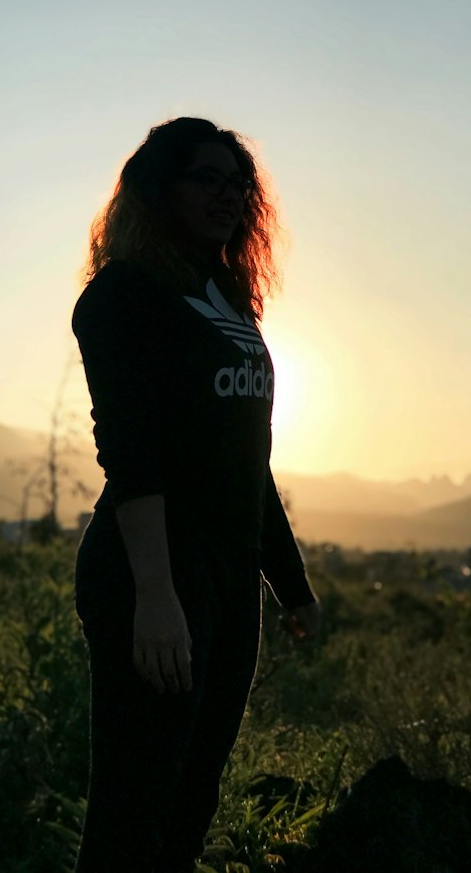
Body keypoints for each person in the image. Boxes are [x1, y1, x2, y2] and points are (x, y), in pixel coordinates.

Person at [71, 116, 322, 873]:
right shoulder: (124, 294)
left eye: (239, 183)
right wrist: (155, 593)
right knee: (134, 803)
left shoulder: (227, 301)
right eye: (205, 179)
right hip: (153, 571)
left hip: (226, 573)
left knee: (191, 800)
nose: (228, 196)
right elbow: (132, 456)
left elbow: (248, 461)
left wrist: (292, 584)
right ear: (159, 188)